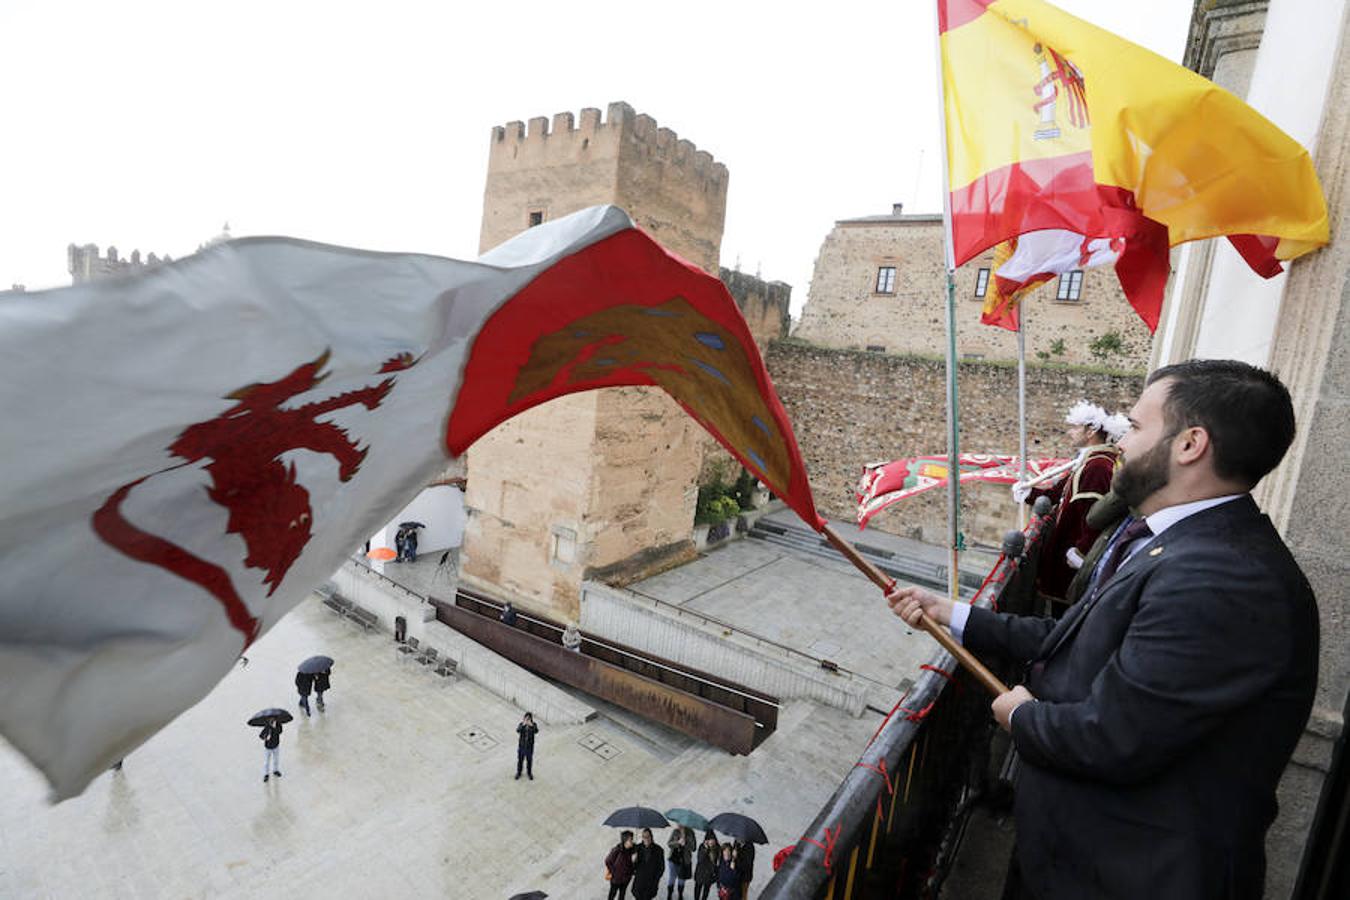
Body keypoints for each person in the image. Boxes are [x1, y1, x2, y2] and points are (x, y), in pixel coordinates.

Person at [889, 360, 1319, 900]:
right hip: (1080, 856)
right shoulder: (1182, 544)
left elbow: (1114, 737)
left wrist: (1022, 717)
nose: (1123, 443)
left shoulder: (1225, 578)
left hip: (1125, 875)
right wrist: (949, 611)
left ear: (1190, 444)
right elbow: (1069, 639)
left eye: (1137, 428)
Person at [1014, 400, 1123, 612]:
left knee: (1061, 616)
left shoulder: (1098, 467)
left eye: (1075, 427)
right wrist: (1028, 493)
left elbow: (1093, 516)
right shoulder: (1090, 461)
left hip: (1069, 563)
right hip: (1063, 557)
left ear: (1091, 430)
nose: (1070, 432)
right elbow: (1057, 494)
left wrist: (1081, 554)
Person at [631, 828, 666, 900]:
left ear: (651, 837)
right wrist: (633, 861)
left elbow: (661, 868)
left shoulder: (659, 850)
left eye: (648, 836)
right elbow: (632, 868)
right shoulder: (637, 848)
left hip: (651, 883)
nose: (646, 838)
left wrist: (656, 880)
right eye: (644, 836)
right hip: (639, 883)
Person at [605, 830, 637, 900]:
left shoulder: (634, 850)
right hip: (616, 879)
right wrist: (614, 872)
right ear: (625, 841)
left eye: (632, 839)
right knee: (612, 894)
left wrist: (634, 860)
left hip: (626, 879)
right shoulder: (617, 850)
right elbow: (607, 861)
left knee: (622, 895)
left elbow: (633, 865)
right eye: (630, 840)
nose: (632, 841)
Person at [666, 826, 693, 899]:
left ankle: (680, 895)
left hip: (684, 861)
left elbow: (693, 847)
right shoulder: (675, 831)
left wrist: (686, 844)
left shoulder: (690, 833)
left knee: (681, 879)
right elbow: (669, 844)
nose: (678, 824)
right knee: (672, 878)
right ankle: (669, 894)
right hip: (673, 859)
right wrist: (677, 842)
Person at [693, 832, 719, 900]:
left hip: (710, 874)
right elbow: (700, 859)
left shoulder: (717, 848)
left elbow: (717, 861)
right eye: (710, 839)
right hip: (700, 873)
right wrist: (706, 849)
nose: (712, 841)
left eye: (713, 839)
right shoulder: (702, 846)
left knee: (706, 891)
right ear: (706, 840)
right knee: (697, 889)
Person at [514, 712, 538, 780]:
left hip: (529, 747)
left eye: (528, 718)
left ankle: (529, 773)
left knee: (529, 761)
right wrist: (523, 725)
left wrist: (531, 725)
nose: (527, 720)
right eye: (526, 718)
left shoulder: (534, 725)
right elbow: (518, 730)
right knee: (520, 761)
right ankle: (519, 772)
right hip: (521, 747)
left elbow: (536, 731)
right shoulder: (521, 724)